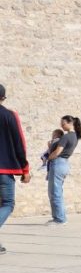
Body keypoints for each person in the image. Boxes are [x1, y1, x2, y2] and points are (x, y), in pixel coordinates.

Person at [0, 83, 32, 255]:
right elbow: (19, 143)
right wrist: (24, 168)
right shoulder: (10, 115)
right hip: (4, 170)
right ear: (3, 98)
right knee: (7, 204)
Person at [44, 115, 81, 226]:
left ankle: (60, 219)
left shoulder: (66, 137)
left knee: (54, 192)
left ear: (70, 123)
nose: (62, 126)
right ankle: (58, 217)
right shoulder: (75, 137)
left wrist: (48, 157)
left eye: (63, 123)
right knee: (57, 192)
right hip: (64, 163)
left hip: (58, 163)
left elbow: (57, 152)